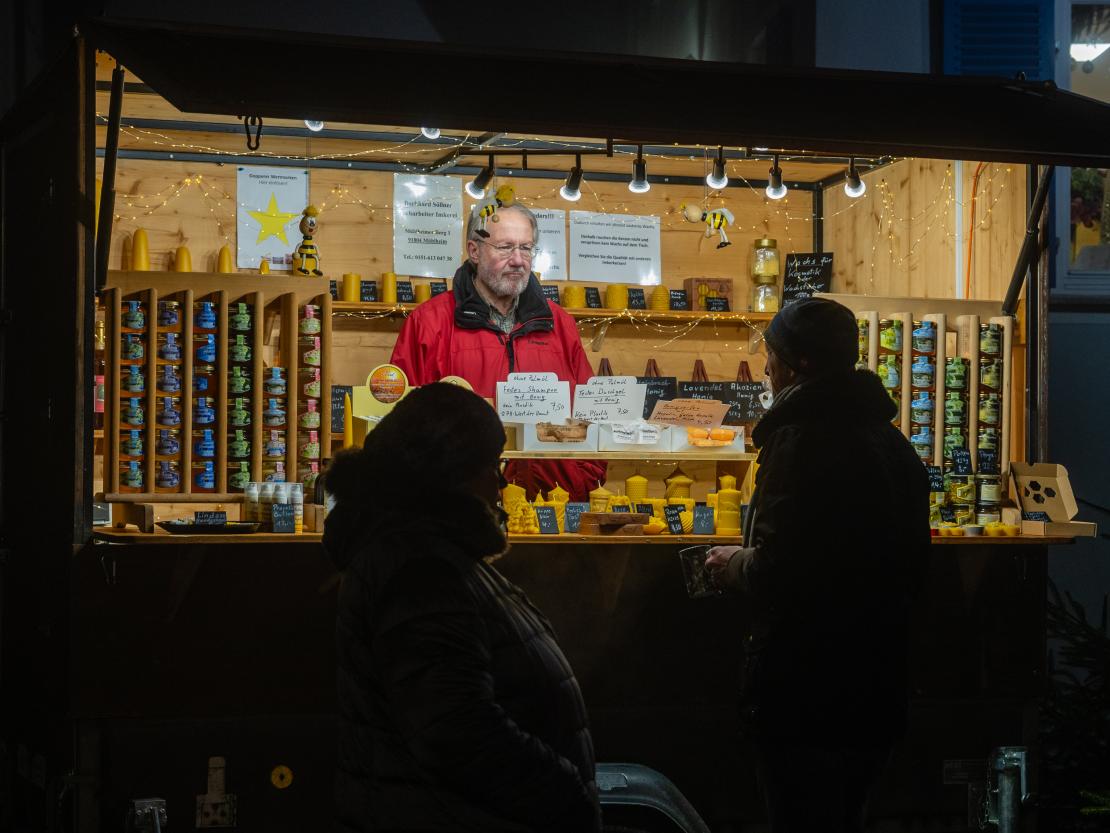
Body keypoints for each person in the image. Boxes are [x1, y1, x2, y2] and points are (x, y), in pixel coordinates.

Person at [323, 383, 601, 833]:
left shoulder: (428, 555)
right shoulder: (418, 570)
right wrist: (564, 793)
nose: (501, 481)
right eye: (493, 465)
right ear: (451, 473)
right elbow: (456, 730)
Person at [704, 297, 930, 833]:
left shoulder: (800, 441)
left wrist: (735, 563)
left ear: (794, 364)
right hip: (876, 688)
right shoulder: (891, 442)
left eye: (772, 355)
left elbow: (781, 572)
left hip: (804, 693)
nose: (764, 366)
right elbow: (914, 569)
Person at [390, 201, 604, 502]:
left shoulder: (560, 324)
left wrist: (581, 477)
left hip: (554, 507)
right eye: (505, 247)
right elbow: (400, 424)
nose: (518, 260)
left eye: (526, 248)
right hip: (463, 509)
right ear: (474, 251)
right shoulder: (429, 323)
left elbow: (591, 410)